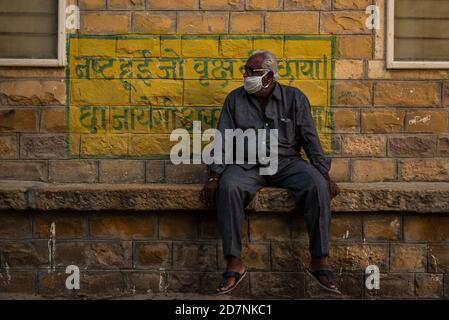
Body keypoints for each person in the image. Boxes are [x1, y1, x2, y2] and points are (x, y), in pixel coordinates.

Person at [200, 50, 341, 295]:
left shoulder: (294, 98)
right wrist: (214, 176)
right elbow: (222, 140)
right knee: (229, 187)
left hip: (287, 162)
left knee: (316, 185)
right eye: (245, 71)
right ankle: (234, 263)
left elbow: (310, 138)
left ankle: (319, 262)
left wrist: (323, 174)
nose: (246, 76)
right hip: (247, 163)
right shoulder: (234, 100)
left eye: (251, 72)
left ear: (269, 76)